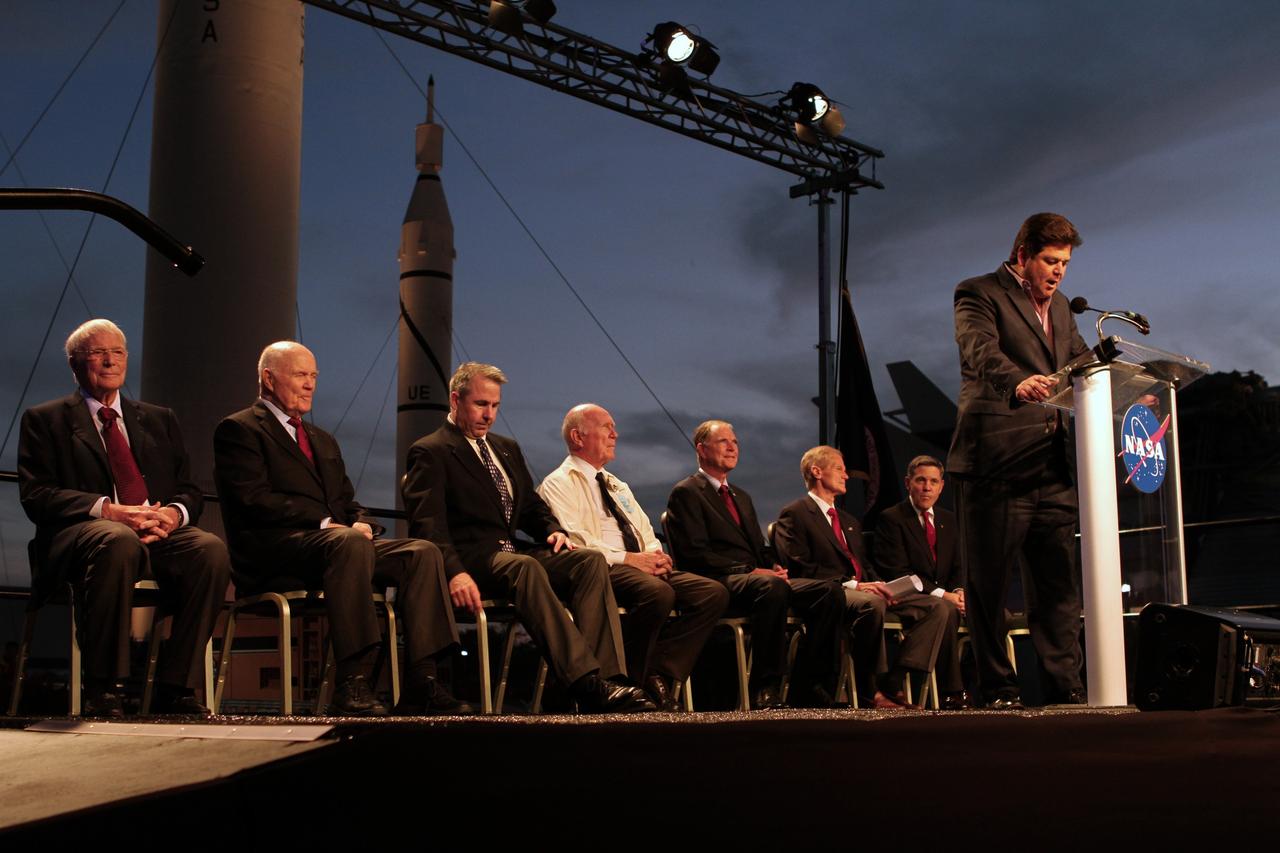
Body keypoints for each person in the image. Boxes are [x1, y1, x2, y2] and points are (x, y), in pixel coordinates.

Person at [214, 341, 468, 716]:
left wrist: (361, 522)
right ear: (268, 378)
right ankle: (353, 680)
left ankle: (423, 679)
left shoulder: (322, 439)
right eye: (300, 375)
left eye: (313, 376)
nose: (310, 385)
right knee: (345, 542)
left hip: (334, 544)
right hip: (274, 551)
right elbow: (253, 499)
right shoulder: (239, 430)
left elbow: (347, 502)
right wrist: (329, 524)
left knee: (420, 552)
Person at [403, 363, 654, 713]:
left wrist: (553, 532)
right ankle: (584, 682)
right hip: (474, 558)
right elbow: (428, 526)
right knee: (524, 567)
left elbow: (532, 508)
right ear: (455, 400)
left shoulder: (505, 448)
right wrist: (454, 572)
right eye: (480, 405)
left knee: (588, 560)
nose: (488, 415)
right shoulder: (432, 451)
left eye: (494, 406)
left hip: (515, 556)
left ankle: (609, 681)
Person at [18, 319, 229, 717]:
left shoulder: (158, 418)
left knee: (210, 550)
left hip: (153, 533)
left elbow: (189, 490)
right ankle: (105, 686)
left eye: (117, 352)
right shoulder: (46, 420)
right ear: (75, 365)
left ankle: (175, 686)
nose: (109, 360)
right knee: (116, 539)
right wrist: (109, 510)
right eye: (98, 353)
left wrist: (171, 514)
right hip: (83, 536)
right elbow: (37, 495)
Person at [949, 211, 1091, 708]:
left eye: (1066, 263)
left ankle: (1064, 687)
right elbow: (978, 352)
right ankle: (997, 689)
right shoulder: (979, 292)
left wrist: (1126, 389)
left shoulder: (1065, 312)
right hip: (997, 461)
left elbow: (1082, 364)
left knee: (1059, 587)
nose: (1059, 272)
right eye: (1051, 261)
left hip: (1051, 464)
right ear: (1023, 255)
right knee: (988, 585)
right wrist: (1017, 381)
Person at [537, 404, 728, 710]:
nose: (615, 434)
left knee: (712, 593)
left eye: (613, 427)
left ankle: (657, 673)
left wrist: (655, 555)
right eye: (605, 427)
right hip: (603, 567)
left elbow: (644, 529)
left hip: (639, 564)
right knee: (657, 593)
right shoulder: (559, 483)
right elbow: (575, 541)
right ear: (577, 436)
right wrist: (629, 559)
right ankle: (628, 685)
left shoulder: (616, 483)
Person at [665, 420, 843, 709]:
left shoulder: (741, 496)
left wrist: (774, 566)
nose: (732, 447)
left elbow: (760, 548)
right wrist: (749, 572)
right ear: (701, 448)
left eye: (735, 442)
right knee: (770, 587)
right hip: (718, 579)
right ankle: (765, 687)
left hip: (757, 579)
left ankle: (809, 687)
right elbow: (693, 554)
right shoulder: (687, 492)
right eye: (723, 441)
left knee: (829, 593)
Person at [774, 446, 959, 709]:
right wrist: (856, 585)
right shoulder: (796, 513)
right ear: (817, 471)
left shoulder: (849, 520)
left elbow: (863, 564)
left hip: (867, 589)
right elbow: (800, 566)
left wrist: (884, 586)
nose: (846, 476)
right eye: (839, 468)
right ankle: (871, 690)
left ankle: (895, 678)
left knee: (938, 607)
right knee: (872, 604)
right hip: (832, 592)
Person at [872, 455, 968, 708]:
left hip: (945, 597)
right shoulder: (891, 518)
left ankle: (972, 685)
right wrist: (944, 595)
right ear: (908, 483)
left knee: (993, 614)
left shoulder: (949, 519)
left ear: (941, 486)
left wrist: (960, 592)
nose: (927, 487)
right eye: (921, 480)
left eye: (933, 481)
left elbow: (959, 565)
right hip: (905, 595)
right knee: (944, 609)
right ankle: (951, 690)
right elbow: (898, 570)